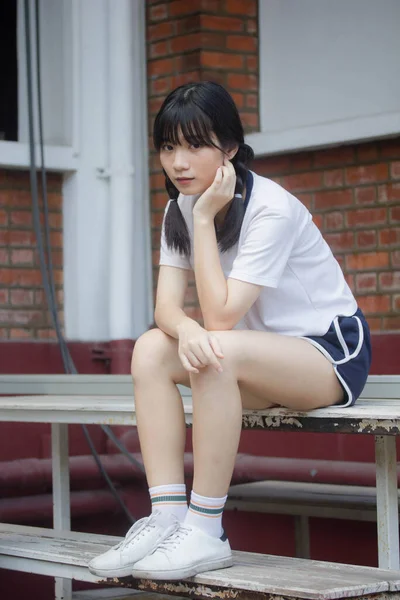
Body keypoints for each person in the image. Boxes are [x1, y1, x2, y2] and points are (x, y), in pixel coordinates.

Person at [89, 81, 371, 581]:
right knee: (152, 349)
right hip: (256, 356)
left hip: (330, 355)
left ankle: (205, 529)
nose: (179, 161)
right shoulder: (180, 206)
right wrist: (188, 330)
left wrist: (201, 223)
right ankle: (168, 515)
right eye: (168, 146)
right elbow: (166, 310)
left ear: (231, 149)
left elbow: (219, 318)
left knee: (215, 347)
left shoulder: (270, 208)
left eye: (196, 145)